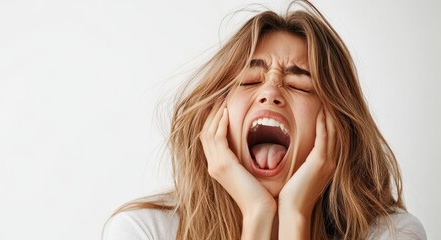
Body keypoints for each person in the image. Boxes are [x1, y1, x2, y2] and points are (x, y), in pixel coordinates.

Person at [103, 1, 426, 239]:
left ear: (337, 123)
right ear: (215, 115)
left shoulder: (393, 234)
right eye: (249, 80)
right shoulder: (144, 230)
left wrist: (295, 216)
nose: (270, 92)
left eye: (300, 83)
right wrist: (258, 216)